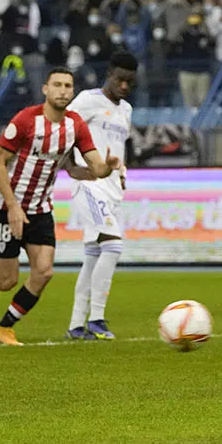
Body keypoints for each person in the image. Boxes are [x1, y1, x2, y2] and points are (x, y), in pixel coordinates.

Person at [0, 68, 122, 346]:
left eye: (68, 86)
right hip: (7, 207)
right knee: (6, 279)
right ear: (45, 89)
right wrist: (13, 207)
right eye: (57, 84)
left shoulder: (76, 125)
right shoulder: (26, 120)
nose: (63, 90)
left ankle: (4, 328)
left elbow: (94, 167)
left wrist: (107, 168)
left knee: (43, 272)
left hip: (41, 209)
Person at [65, 51, 137, 341]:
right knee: (113, 246)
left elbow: (118, 147)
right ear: (109, 73)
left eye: (130, 82)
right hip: (89, 185)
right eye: (120, 79)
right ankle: (97, 318)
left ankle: (75, 324)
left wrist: (122, 174)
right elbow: (65, 130)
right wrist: (72, 168)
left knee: (93, 255)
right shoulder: (87, 100)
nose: (124, 86)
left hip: (112, 188)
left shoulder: (127, 110)